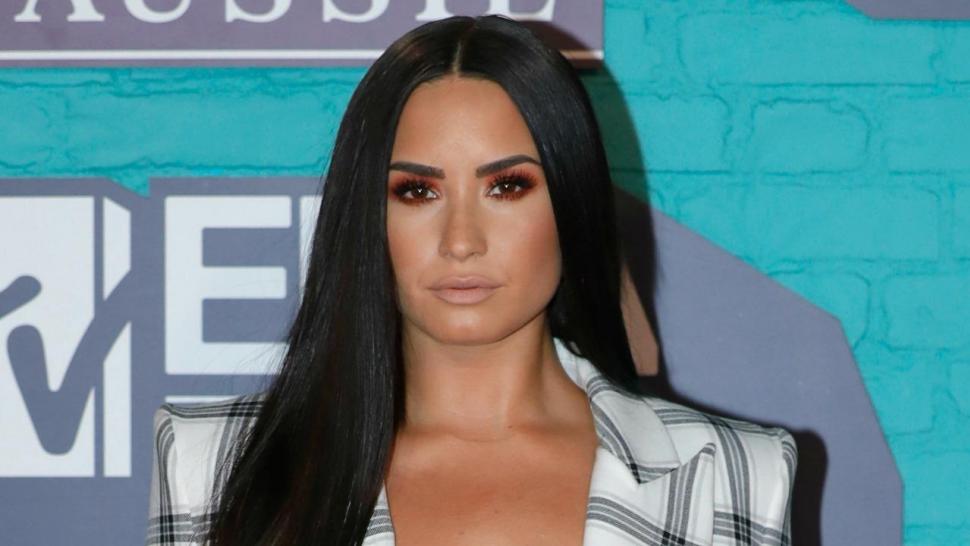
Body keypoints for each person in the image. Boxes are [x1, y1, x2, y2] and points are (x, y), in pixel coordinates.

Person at [145, 14, 797, 546]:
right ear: (367, 213)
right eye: (417, 190)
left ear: (570, 200)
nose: (461, 241)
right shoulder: (212, 467)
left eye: (507, 187)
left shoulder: (731, 475)